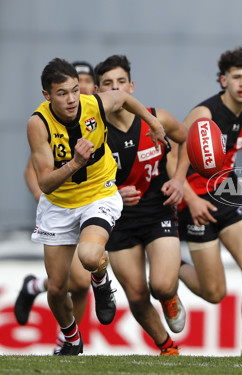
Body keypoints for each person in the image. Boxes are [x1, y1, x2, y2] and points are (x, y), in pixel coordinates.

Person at [26, 57, 167, 356]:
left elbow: (124, 98)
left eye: (75, 90)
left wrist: (153, 123)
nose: (71, 99)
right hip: (59, 204)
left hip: (99, 193)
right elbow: (45, 184)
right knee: (56, 289)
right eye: (62, 93)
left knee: (90, 255)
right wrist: (76, 162)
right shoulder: (38, 124)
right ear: (47, 95)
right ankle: (71, 337)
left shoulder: (94, 103)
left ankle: (101, 281)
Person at [175, 46, 242, 356]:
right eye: (237, 76)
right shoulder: (204, 115)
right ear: (223, 80)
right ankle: (173, 265)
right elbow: (172, 163)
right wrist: (191, 200)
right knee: (215, 293)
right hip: (195, 202)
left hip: (227, 193)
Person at [95, 54, 188, 356]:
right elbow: (80, 184)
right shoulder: (93, 132)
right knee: (136, 294)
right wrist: (112, 195)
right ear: (98, 93)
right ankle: (168, 348)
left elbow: (187, 140)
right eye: (108, 85)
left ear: (132, 86)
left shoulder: (155, 118)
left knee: (160, 285)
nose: (116, 90)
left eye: (121, 82)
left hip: (157, 210)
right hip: (118, 219)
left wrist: (179, 180)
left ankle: (171, 297)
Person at [16, 61, 98, 354]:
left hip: (95, 202)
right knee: (75, 281)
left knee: (82, 279)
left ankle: (69, 340)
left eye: (84, 85)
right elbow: (34, 172)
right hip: (65, 207)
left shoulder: (97, 115)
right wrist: (46, 199)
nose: (78, 93)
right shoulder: (46, 122)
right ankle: (68, 338)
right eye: (68, 90)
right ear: (51, 94)